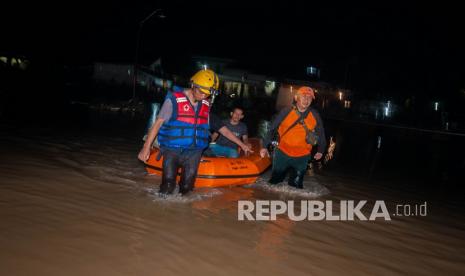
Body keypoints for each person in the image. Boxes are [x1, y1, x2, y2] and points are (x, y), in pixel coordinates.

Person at [138, 69, 252, 195]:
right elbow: (157, 124)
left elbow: (224, 130)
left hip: (194, 152)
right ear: (193, 85)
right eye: (202, 92)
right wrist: (146, 147)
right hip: (173, 150)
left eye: (207, 94)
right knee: (168, 186)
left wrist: (242, 145)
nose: (204, 96)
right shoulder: (173, 101)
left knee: (187, 188)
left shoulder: (206, 106)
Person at [260, 86, 326, 189]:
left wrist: (321, 150)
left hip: (302, 155)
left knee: (296, 187)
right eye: (304, 96)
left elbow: (321, 133)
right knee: (274, 183)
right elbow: (272, 128)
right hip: (282, 152)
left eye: (309, 98)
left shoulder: (315, 115)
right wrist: (264, 146)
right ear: (297, 98)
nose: (306, 100)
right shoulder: (286, 111)